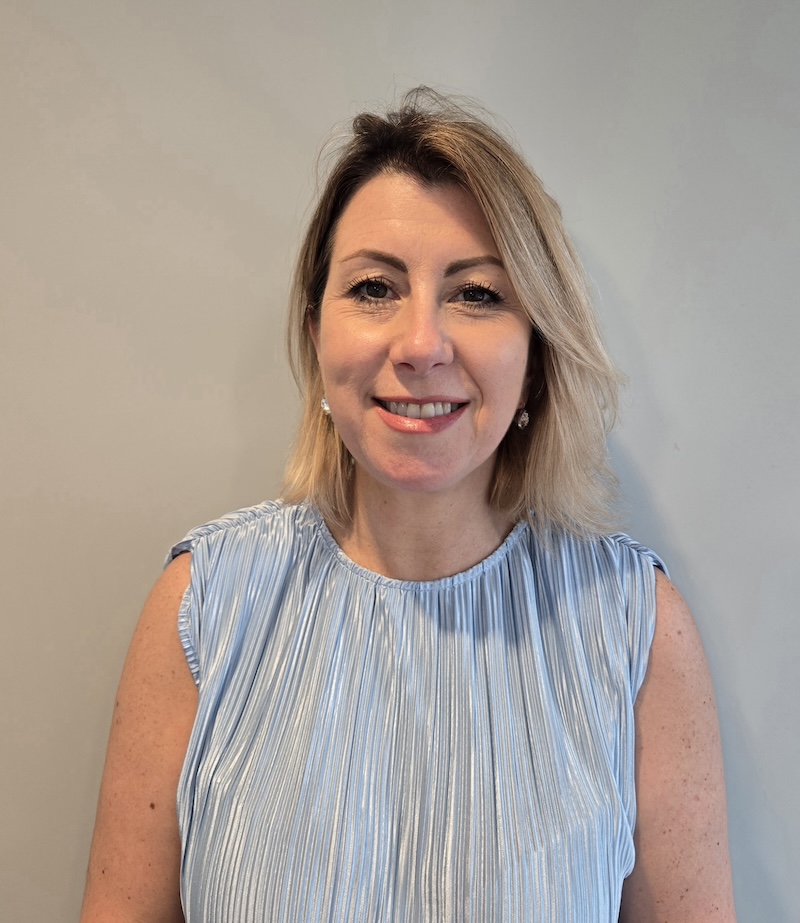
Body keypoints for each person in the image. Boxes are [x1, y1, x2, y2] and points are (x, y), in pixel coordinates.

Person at [80, 88, 737, 922]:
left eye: (478, 294)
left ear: (535, 353)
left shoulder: (635, 627)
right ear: (317, 335)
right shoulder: (205, 608)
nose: (422, 345)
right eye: (375, 288)